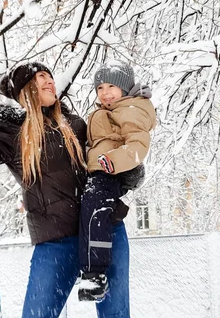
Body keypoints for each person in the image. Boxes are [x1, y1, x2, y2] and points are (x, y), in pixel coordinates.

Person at [0, 61, 136, 318]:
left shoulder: (76, 125)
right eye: (41, 77)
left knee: (116, 315)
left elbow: (104, 165)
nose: (50, 81)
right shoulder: (9, 133)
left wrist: (129, 170)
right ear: (25, 90)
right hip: (56, 241)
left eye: (50, 76)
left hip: (104, 230)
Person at [78, 60, 156, 306]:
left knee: (95, 209)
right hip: (100, 169)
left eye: (111, 86)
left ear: (125, 88)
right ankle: (94, 268)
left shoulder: (131, 109)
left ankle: (95, 272)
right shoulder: (109, 111)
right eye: (100, 88)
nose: (105, 92)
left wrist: (114, 162)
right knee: (91, 208)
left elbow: (138, 145)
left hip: (110, 170)